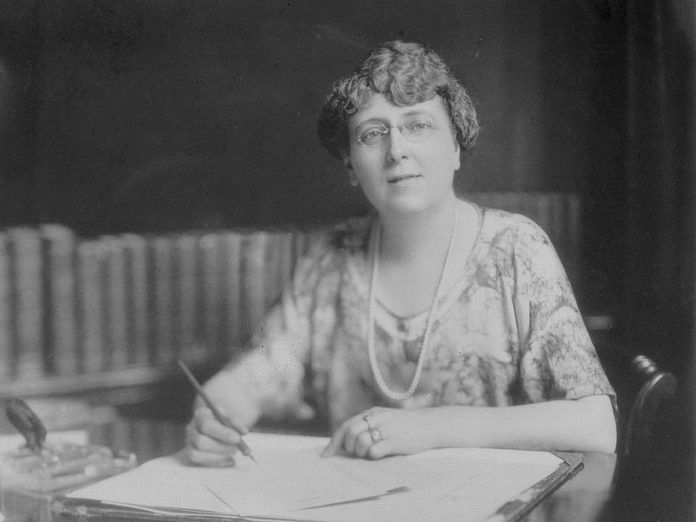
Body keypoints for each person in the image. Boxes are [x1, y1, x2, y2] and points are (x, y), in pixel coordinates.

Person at [186, 40, 617, 466]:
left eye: (418, 125)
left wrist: (432, 428)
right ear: (351, 166)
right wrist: (220, 408)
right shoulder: (330, 260)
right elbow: (258, 375)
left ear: (455, 147)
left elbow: (596, 426)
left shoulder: (516, 249)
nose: (396, 151)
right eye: (373, 134)